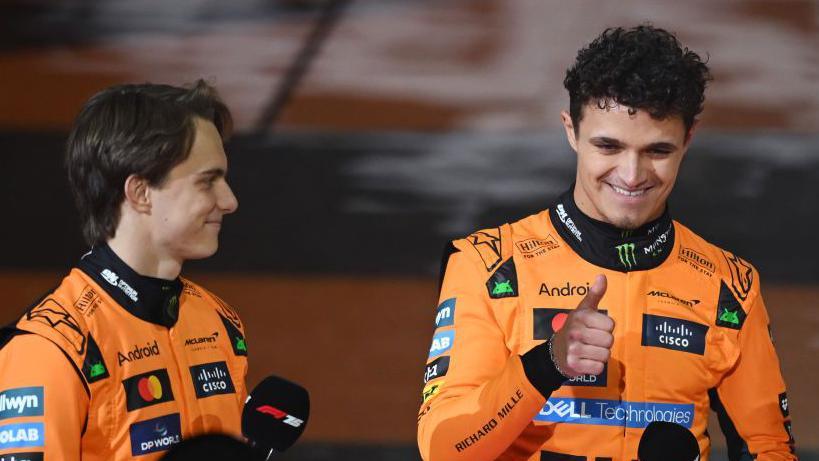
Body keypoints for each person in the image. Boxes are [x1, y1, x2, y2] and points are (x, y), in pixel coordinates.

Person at [417, 25, 795, 461]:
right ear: (571, 131)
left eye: (657, 150)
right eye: (608, 146)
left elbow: (770, 449)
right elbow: (443, 450)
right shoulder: (488, 264)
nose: (631, 175)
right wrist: (548, 364)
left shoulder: (731, 285)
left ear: (688, 140)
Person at [0, 80, 248, 460]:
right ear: (140, 193)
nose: (229, 201)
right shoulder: (50, 350)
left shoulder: (219, 322)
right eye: (208, 181)